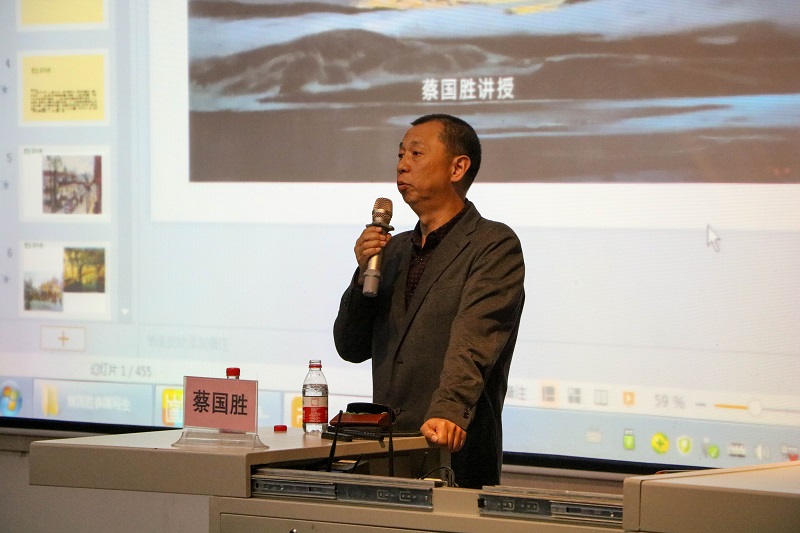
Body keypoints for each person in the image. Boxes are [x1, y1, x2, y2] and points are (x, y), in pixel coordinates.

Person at [333, 113, 525, 489]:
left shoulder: (493, 245)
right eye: (400, 155)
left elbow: (474, 340)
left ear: (457, 168)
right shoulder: (393, 250)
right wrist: (362, 273)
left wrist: (448, 412)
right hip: (388, 456)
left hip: (453, 452)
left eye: (416, 153)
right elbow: (350, 347)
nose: (402, 165)